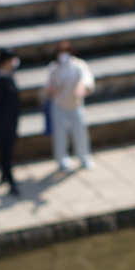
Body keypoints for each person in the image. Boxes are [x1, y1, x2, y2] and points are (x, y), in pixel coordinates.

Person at [44, 40, 95, 172]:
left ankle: (84, 157)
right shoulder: (54, 68)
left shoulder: (78, 65)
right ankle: (62, 160)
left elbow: (86, 78)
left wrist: (82, 87)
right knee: (60, 135)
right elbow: (48, 86)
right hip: (59, 105)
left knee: (80, 132)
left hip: (76, 105)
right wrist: (51, 89)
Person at [0, 49, 21, 195]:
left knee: (7, 150)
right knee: (6, 151)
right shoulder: (0, 81)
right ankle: (10, 179)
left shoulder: (7, 77)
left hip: (11, 121)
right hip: (3, 124)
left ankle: (5, 175)